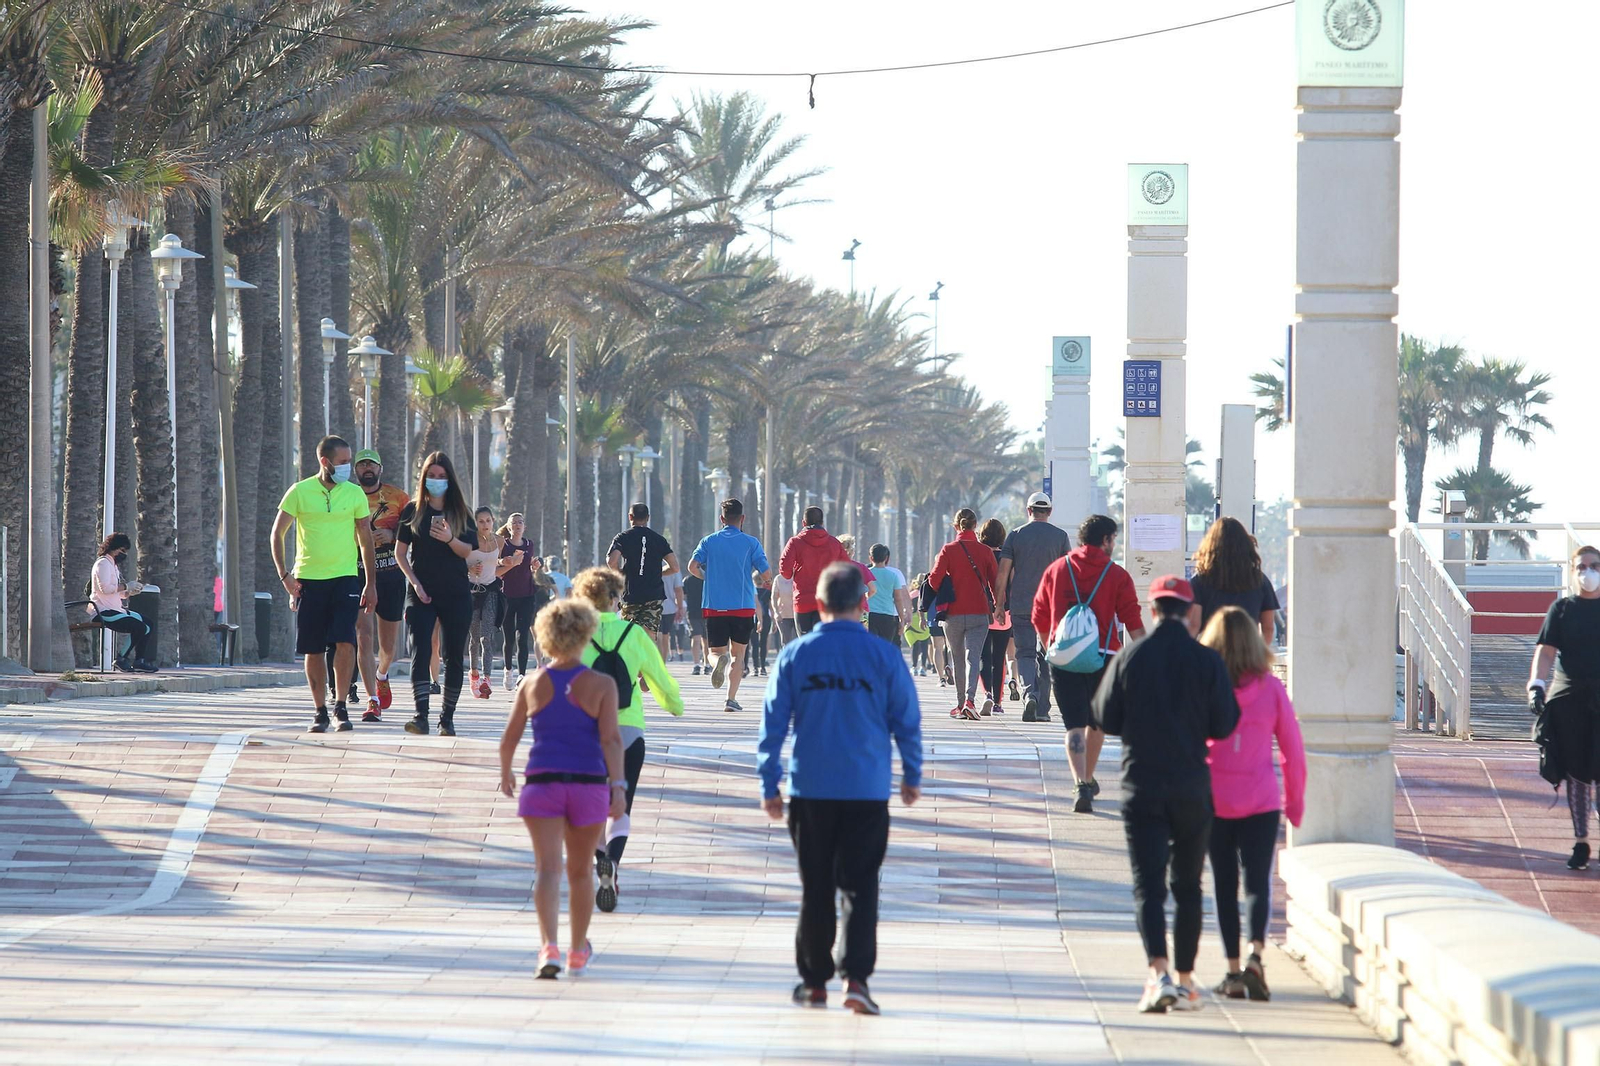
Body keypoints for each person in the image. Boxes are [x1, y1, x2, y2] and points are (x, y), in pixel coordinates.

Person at [759, 562, 923, 1015]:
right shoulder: (884, 656)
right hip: (867, 790)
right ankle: (856, 980)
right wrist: (911, 774)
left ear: (818, 603)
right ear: (862, 603)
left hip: (810, 790)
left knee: (816, 886)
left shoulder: (796, 655)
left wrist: (769, 782)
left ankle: (814, 983)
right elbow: (906, 720)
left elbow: (772, 726)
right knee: (860, 886)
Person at [1092, 575, 1241, 1014]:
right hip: (1192, 787)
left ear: (1154, 611)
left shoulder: (1130, 656)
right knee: (1189, 886)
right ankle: (1187, 979)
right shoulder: (1207, 662)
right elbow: (1224, 725)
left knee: (1148, 886)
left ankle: (1157, 973)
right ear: (1191, 612)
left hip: (1142, 785)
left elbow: (1104, 716)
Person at [497, 597, 625, 979]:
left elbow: (509, 738)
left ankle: (548, 947)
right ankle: (576, 951)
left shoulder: (532, 683)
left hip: (542, 784)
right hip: (588, 785)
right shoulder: (601, 684)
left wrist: (506, 772)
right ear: (586, 634)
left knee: (548, 870)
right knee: (581, 872)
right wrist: (617, 786)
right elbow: (611, 741)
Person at [1198, 606, 1305, 1002]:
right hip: (1261, 801)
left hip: (1214, 800)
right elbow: (1292, 751)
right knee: (1258, 881)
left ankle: (1231, 971)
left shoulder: (1204, 686)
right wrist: (1294, 804)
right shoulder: (1272, 688)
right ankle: (1256, 956)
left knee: (1225, 885)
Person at [570, 567, 684, 913]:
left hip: (586, 733)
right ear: (616, 599)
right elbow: (661, 679)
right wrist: (674, 705)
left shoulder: (574, 634)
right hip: (629, 732)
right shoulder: (634, 633)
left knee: (588, 808)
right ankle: (613, 863)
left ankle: (600, 858)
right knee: (621, 805)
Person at [1033, 515, 1144, 812]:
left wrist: (1050, 647)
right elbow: (1132, 620)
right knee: (1096, 722)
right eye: (1113, 539)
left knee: (1073, 724)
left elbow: (1039, 616)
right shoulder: (1116, 575)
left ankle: (1081, 781)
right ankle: (1088, 776)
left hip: (1063, 658)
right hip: (1104, 656)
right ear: (1106, 540)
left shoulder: (1056, 570)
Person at [271, 435, 379, 733]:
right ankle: (319, 710)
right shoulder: (300, 491)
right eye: (343, 462)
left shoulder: (355, 494)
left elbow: (366, 539)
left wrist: (370, 583)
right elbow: (277, 534)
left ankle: (341, 705)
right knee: (313, 648)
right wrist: (285, 577)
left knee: (346, 640)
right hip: (309, 579)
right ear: (325, 461)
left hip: (345, 578)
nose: (349, 468)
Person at [393, 452, 477, 736]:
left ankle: (447, 718)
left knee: (454, 655)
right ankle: (420, 715)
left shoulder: (462, 513)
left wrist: (450, 538)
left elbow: (468, 551)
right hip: (421, 592)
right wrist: (414, 583)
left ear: (450, 479)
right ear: (424, 478)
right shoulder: (413, 511)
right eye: (432, 476)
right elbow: (400, 553)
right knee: (421, 648)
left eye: (442, 477)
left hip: (455, 593)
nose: (437, 481)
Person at [1528, 545, 1600, 871]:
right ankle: (1581, 842)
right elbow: (1545, 652)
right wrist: (1537, 686)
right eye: (1582, 566)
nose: (1588, 572)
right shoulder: (1561, 610)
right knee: (1578, 776)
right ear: (1573, 572)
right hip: (1570, 699)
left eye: (1594, 565)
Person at [995, 492, 1072, 722]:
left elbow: (1003, 573)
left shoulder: (1015, 535)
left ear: (1029, 510)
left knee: (1025, 653)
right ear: (1049, 512)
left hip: (1021, 603)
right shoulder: (1060, 536)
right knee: (1047, 654)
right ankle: (1042, 710)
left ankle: (1030, 694)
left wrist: (999, 605)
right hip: (1052, 606)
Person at [689, 499, 771, 713]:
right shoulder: (751, 543)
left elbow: (692, 566)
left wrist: (706, 577)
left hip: (715, 605)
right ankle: (730, 699)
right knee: (739, 655)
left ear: (721, 519)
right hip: (743, 606)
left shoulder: (708, 541)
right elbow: (766, 573)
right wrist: (768, 581)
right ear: (742, 518)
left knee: (715, 651)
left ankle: (717, 663)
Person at [351, 449, 409, 721]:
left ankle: (381, 673)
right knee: (363, 635)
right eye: (361, 465)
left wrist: (391, 533)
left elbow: (413, 532)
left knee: (389, 649)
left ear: (380, 468)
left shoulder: (399, 497)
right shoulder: (346, 496)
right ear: (356, 471)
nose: (366, 469)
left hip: (390, 575)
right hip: (357, 573)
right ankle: (372, 699)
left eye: (371, 464)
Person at [928, 507, 998, 720]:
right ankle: (970, 700)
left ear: (956, 526)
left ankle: (960, 704)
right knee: (973, 657)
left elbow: (933, 581)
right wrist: (998, 606)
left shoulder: (948, 550)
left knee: (957, 657)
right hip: (979, 612)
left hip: (954, 614)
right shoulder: (985, 551)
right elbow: (995, 583)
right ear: (975, 526)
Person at [1189, 517, 1280, 645]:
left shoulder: (1199, 581)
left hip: (1211, 652)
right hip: (1247, 653)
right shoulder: (1260, 580)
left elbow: (1194, 625)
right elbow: (1268, 627)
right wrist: (1260, 656)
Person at [607, 503, 679, 659]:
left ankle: (632, 668)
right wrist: (654, 572)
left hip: (631, 594)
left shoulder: (622, 537)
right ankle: (646, 674)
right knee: (649, 635)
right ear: (648, 518)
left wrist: (620, 573)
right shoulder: (659, 540)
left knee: (629, 634)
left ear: (630, 517)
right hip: (654, 595)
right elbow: (674, 567)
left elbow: (612, 561)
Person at [467, 506, 516, 700]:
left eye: (488, 521)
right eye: (481, 521)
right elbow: (457, 564)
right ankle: (474, 675)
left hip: (490, 592)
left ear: (493, 521)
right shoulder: (468, 541)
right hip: (470, 593)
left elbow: (497, 562)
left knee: (486, 637)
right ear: (475, 523)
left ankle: (486, 680)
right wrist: (470, 568)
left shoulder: (500, 541)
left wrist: (508, 562)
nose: (485, 525)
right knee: (474, 637)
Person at [87, 533, 155, 672]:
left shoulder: (114, 567)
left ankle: (139, 660)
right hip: (102, 611)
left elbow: (118, 593)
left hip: (116, 609)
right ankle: (121, 658)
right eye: (121, 550)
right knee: (139, 627)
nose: (123, 554)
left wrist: (129, 592)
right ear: (113, 547)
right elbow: (105, 589)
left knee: (148, 624)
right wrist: (126, 586)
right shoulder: (103, 564)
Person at [779, 507, 851, 635]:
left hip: (803, 602)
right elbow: (848, 571)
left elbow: (785, 571)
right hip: (828, 601)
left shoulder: (795, 542)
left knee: (806, 644)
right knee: (825, 643)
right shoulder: (834, 544)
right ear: (822, 523)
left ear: (803, 523)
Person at [498, 512, 541, 688]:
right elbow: (496, 562)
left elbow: (531, 563)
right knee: (508, 637)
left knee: (522, 636)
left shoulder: (529, 544)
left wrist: (536, 565)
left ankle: (521, 675)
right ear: (509, 527)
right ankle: (508, 671)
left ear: (524, 527)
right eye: (514, 523)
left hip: (526, 595)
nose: (517, 525)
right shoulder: (503, 544)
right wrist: (505, 561)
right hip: (507, 595)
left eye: (520, 522)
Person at [977, 519, 1012, 717]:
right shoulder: (1007, 557)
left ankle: (987, 694)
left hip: (982, 611)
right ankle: (998, 702)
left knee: (984, 655)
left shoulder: (979, 555)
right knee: (1000, 657)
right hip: (1004, 611)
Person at [866, 543, 911, 647]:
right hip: (888, 616)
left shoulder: (866, 573)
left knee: (871, 647)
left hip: (870, 616)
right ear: (886, 558)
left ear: (871, 558)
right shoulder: (893, 576)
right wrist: (901, 619)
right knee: (886, 648)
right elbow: (898, 599)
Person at [682, 567, 708, 674]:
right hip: (706, 612)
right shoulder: (708, 580)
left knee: (697, 638)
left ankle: (698, 664)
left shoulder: (687, 580)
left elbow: (683, 596)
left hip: (693, 612)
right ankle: (705, 664)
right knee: (705, 640)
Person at [772, 571, 798, 648]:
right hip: (783, 615)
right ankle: (787, 659)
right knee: (786, 642)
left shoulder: (798, 576)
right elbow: (774, 597)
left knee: (799, 640)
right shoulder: (778, 579)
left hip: (798, 614)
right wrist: (776, 612)